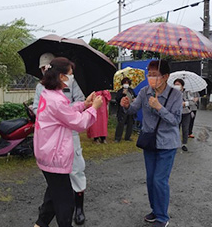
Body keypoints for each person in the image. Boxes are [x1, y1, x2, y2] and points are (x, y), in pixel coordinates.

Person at [33, 57, 102, 227]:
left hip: (48, 153)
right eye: (70, 74)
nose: (72, 77)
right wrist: (94, 108)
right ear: (61, 76)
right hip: (55, 155)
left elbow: (64, 112)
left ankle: (40, 224)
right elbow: (78, 123)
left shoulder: (49, 94)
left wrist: (83, 104)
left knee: (53, 195)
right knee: (65, 204)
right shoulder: (56, 99)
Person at [120, 60, 182, 227]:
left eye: (155, 75)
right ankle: (155, 210)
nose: (151, 78)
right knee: (150, 179)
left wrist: (159, 107)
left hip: (167, 143)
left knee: (160, 180)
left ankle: (163, 217)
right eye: (150, 74)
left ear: (166, 77)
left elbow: (175, 120)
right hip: (149, 141)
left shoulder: (175, 95)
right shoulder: (145, 91)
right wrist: (126, 106)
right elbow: (133, 109)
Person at [114, 77, 136, 142]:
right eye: (125, 83)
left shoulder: (131, 90)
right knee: (121, 123)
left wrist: (134, 99)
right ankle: (117, 138)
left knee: (130, 123)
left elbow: (134, 96)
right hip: (122, 109)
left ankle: (127, 137)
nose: (126, 84)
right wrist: (122, 94)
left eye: (127, 83)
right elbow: (117, 99)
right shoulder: (120, 91)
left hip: (130, 108)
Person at [173, 79, 191, 152]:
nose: (176, 86)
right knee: (176, 128)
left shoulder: (187, 93)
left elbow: (192, 101)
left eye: (178, 84)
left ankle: (184, 144)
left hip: (186, 113)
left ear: (182, 86)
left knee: (185, 129)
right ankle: (175, 143)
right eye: (175, 84)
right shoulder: (173, 93)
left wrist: (185, 104)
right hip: (176, 113)